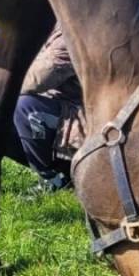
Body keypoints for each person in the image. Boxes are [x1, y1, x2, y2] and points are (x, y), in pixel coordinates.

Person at [13, 25, 84, 191]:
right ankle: (62, 173)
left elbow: (40, 76)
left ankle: (55, 177)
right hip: (56, 105)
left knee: (24, 108)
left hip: (82, 113)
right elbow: (20, 66)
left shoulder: (73, 28)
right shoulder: (45, 30)